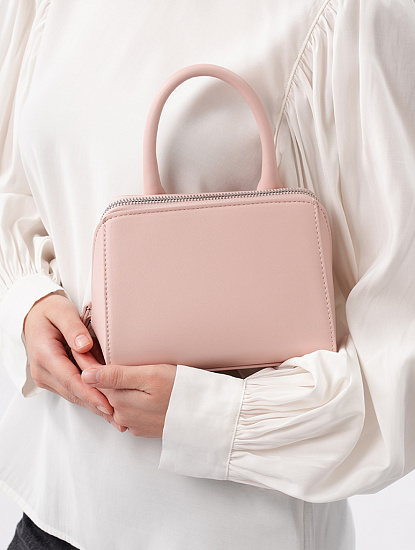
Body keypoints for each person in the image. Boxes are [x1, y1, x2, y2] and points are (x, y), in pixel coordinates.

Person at [1, 0, 414, 549]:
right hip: (55, 514)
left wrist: (203, 415)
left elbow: (399, 370)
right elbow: (18, 183)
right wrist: (29, 300)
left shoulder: (355, 14)